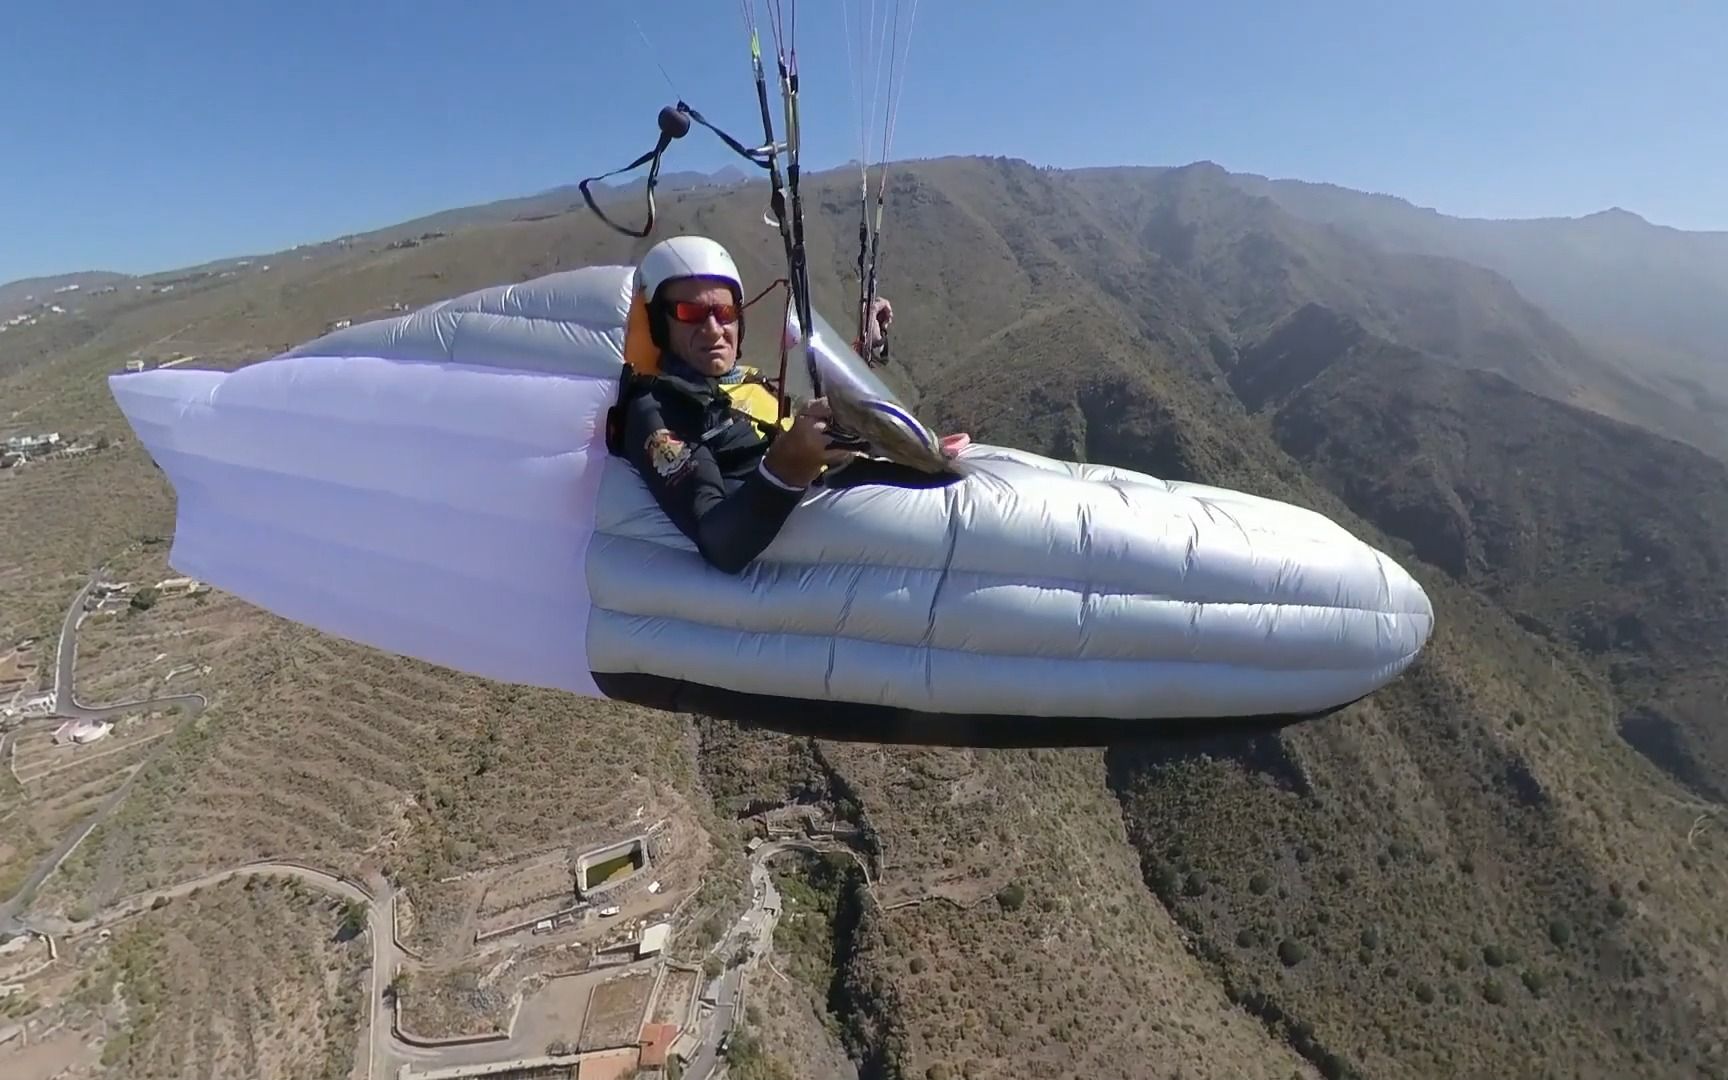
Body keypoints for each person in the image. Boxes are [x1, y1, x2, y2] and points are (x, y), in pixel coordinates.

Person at [613, 235, 964, 574]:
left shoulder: (745, 380)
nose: (713, 329)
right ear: (660, 324)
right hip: (828, 519)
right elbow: (721, 544)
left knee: (958, 477)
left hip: (853, 485)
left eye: (724, 311)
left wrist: (864, 349)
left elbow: (803, 414)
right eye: (690, 313)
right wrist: (787, 467)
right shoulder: (659, 407)